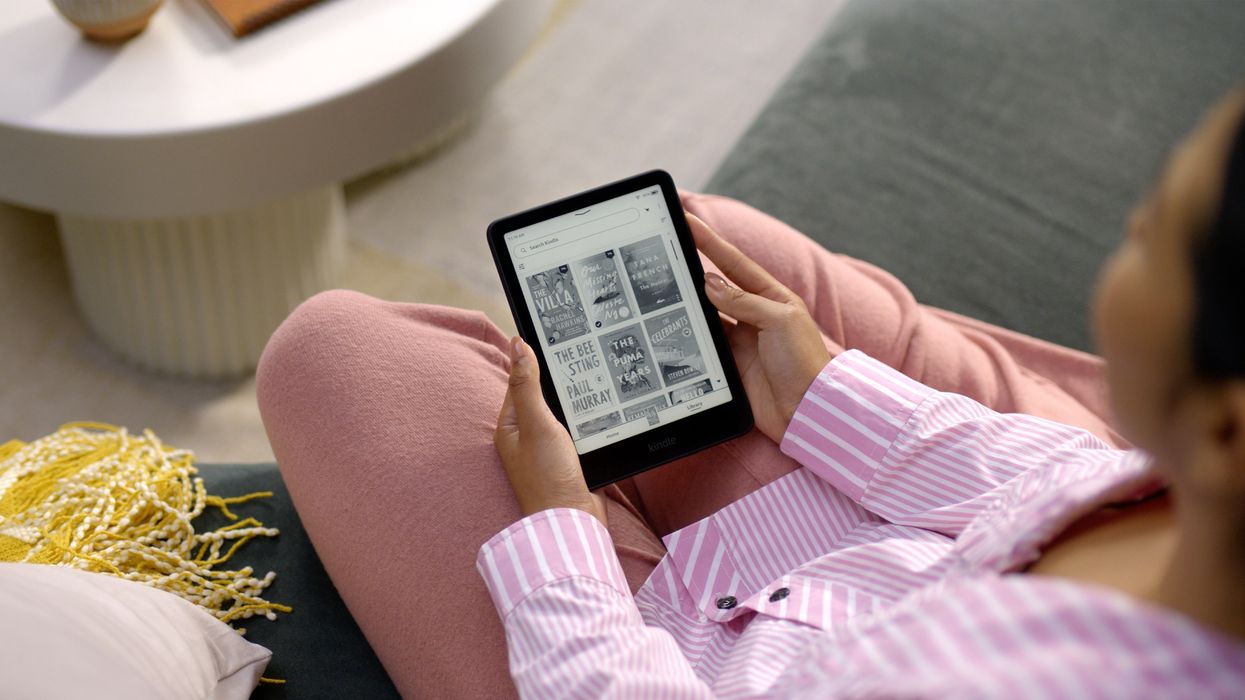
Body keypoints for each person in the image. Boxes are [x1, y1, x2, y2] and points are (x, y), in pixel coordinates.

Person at [256, 90, 1245, 698]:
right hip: (898, 547)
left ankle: (610, 512)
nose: (1129, 226)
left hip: (678, 661)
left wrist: (561, 536)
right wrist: (824, 394)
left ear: (1223, 426)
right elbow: (1056, 482)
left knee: (330, 351)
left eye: (1154, 232)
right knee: (697, 245)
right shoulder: (1191, 491)